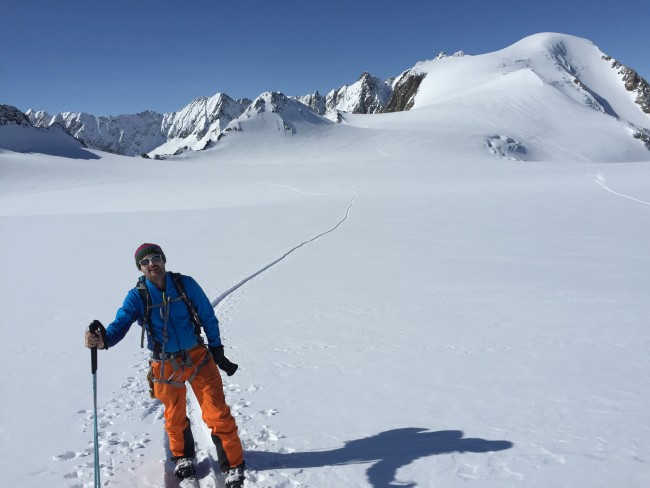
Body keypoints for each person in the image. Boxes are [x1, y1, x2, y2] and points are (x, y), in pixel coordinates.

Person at [84, 243, 245, 487]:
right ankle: (182, 458)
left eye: (155, 258)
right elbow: (122, 322)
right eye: (145, 262)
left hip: (199, 357)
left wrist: (217, 349)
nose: (152, 264)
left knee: (217, 411)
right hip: (165, 365)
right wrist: (103, 340)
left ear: (164, 260)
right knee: (175, 415)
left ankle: (233, 463)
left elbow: (207, 316)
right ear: (140, 268)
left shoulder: (185, 284)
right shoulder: (137, 296)